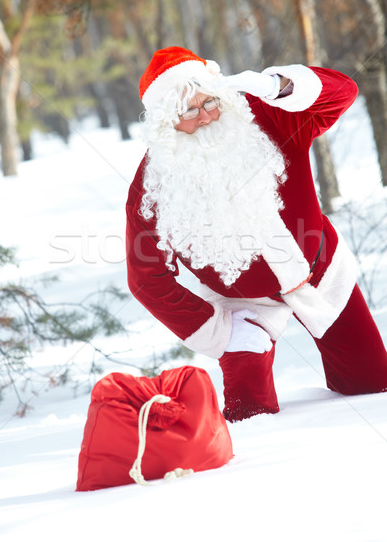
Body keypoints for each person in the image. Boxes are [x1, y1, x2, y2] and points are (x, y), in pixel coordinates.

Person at [125, 46, 387, 422]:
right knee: (250, 415)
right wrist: (218, 331)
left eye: (211, 102)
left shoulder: (267, 115)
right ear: (166, 124)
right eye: (189, 111)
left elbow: (343, 93)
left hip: (320, 275)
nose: (207, 117)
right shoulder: (152, 187)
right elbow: (146, 280)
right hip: (243, 307)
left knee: (375, 385)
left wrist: (277, 85)